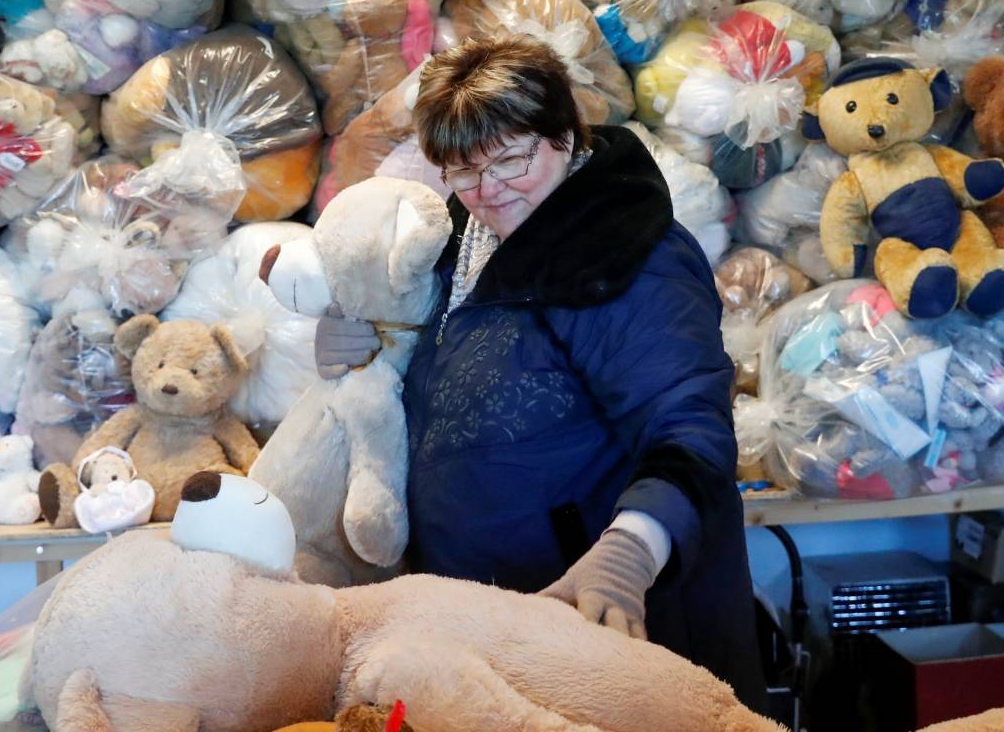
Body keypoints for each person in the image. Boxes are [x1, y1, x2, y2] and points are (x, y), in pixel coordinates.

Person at [312, 35, 767, 708]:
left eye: (511, 160)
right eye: (463, 171)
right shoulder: (455, 239)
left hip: (610, 638)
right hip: (489, 632)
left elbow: (690, 426)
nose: (488, 190)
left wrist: (630, 553)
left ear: (564, 135)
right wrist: (357, 340)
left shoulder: (633, 257)